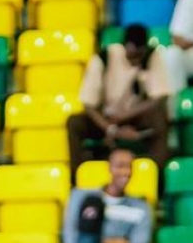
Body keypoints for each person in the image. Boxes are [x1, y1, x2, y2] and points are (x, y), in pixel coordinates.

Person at [59, 147, 183, 243]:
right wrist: (118, 242)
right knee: (92, 205)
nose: (125, 172)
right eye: (120, 166)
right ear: (109, 168)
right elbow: (72, 241)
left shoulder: (141, 207)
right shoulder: (81, 196)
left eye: (129, 167)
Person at [68, 24, 171, 176]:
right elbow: (88, 104)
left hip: (135, 116)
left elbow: (159, 98)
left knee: (159, 117)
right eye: (131, 55)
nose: (135, 60)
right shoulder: (103, 58)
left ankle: (157, 174)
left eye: (139, 56)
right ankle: (77, 176)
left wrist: (125, 116)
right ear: (124, 47)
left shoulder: (151, 56)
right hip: (105, 118)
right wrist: (111, 129)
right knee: (74, 122)